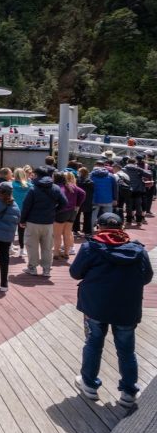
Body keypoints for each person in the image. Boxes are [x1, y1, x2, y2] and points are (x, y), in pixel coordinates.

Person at [70, 213, 153, 408]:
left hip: (95, 305)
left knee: (93, 343)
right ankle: (129, 391)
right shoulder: (138, 250)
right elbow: (147, 276)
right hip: (126, 307)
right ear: (122, 227)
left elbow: (75, 273)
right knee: (126, 350)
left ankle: (89, 384)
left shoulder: (91, 247)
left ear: (99, 227)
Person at [19, 166, 67, 278]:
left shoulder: (33, 189)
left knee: (32, 246)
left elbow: (26, 206)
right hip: (48, 222)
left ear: (37, 175)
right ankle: (46, 270)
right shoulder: (55, 188)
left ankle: (32, 268)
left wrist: (22, 220)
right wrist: (54, 211)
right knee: (47, 247)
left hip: (33, 221)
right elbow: (64, 203)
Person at [53, 171, 85, 260]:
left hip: (61, 212)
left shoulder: (58, 187)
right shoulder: (72, 186)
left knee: (57, 234)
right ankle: (66, 253)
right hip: (72, 212)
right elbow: (83, 193)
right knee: (67, 233)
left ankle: (56, 253)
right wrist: (78, 205)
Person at [123, 157, 151, 226]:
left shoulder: (124, 169)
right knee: (138, 206)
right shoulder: (138, 169)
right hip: (138, 189)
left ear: (127, 162)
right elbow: (149, 174)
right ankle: (139, 221)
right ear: (135, 163)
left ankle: (128, 220)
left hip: (128, 189)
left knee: (128, 206)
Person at [90, 160, 118, 225]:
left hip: (95, 199)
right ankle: (107, 229)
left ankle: (91, 231)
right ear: (104, 166)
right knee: (109, 216)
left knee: (93, 215)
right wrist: (115, 199)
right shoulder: (111, 175)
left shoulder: (91, 175)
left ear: (95, 165)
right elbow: (115, 188)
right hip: (108, 199)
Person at [11, 167, 31, 255]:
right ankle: (22, 249)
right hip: (24, 211)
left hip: (13, 210)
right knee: (22, 231)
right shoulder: (30, 186)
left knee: (11, 229)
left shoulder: (11, 185)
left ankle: (10, 247)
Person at [73, 167, 95, 240]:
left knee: (76, 216)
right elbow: (92, 192)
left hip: (78, 201)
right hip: (88, 201)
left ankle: (75, 230)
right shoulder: (91, 182)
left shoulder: (76, 182)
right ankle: (87, 232)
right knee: (87, 217)